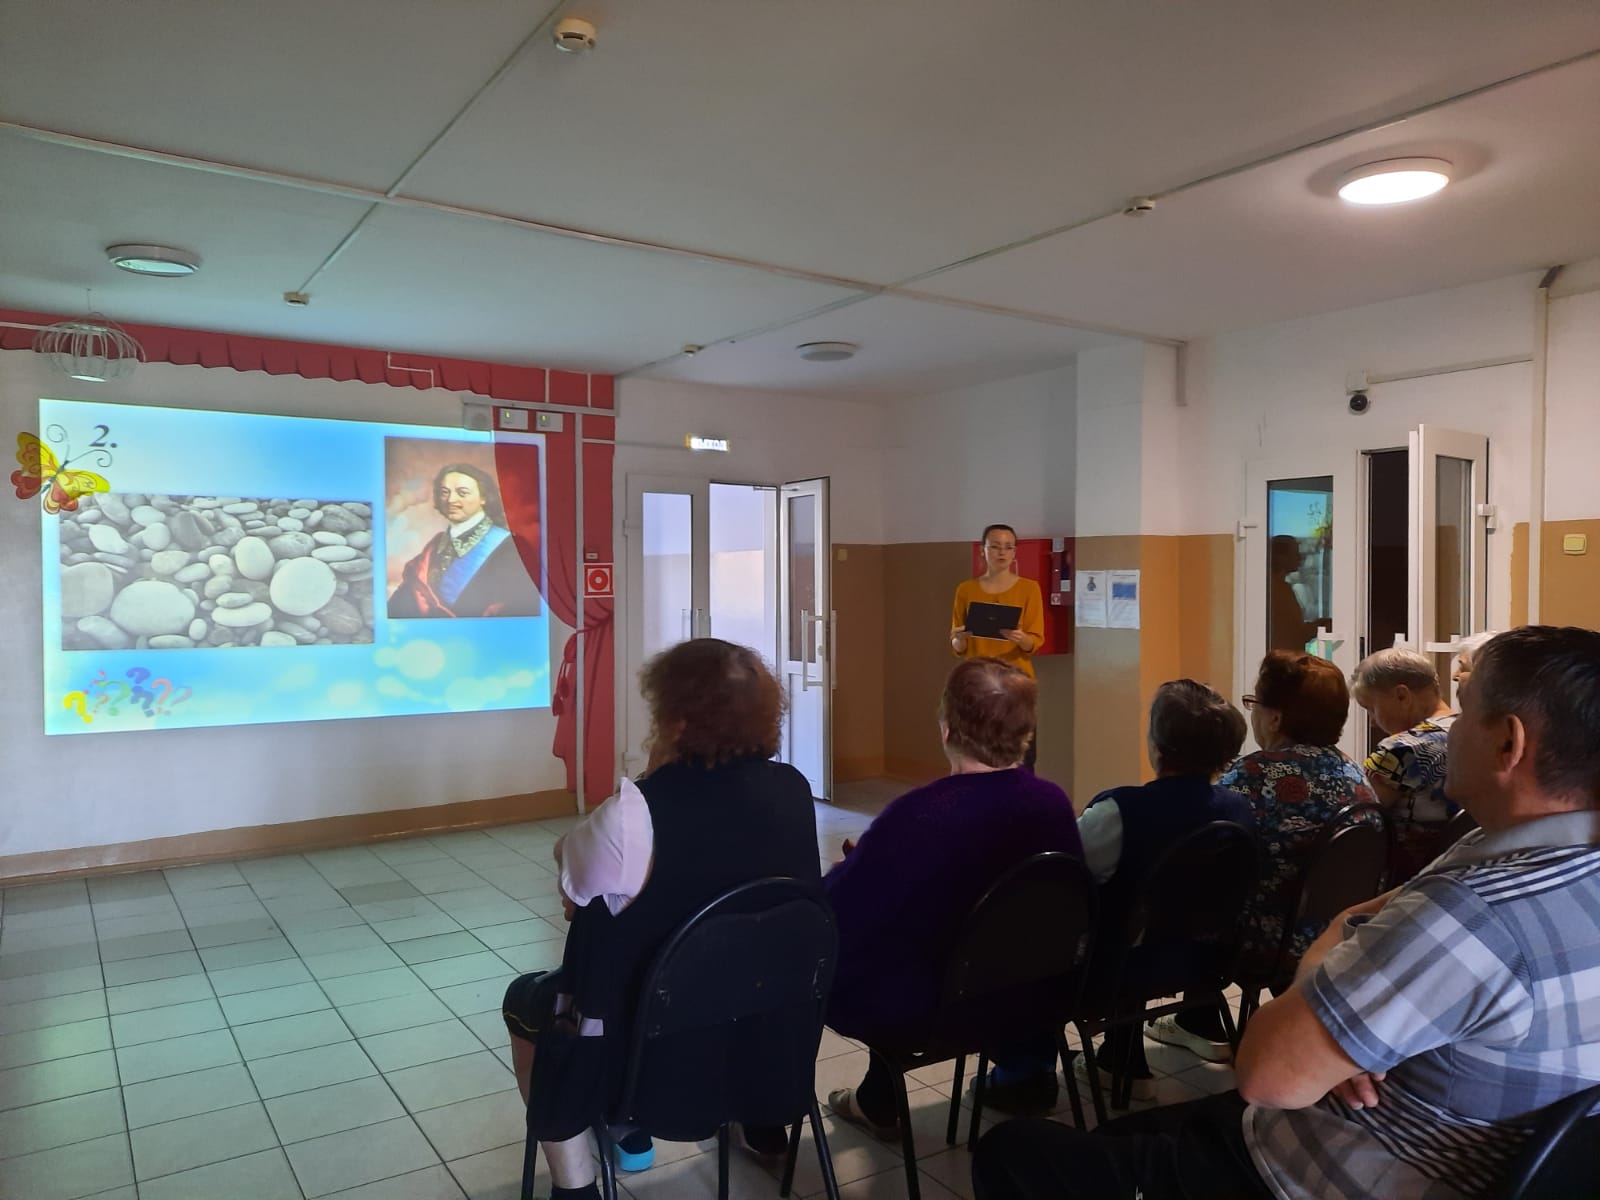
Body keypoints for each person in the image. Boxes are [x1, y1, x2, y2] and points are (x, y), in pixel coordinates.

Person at [972, 625, 1600, 1200]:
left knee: (1014, 1153)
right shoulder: (1469, 834)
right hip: (1379, 1092)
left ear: (1508, 742)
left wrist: (1333, 948)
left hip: (1318, 1159)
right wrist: (1341, 1005)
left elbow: (1267, 1074)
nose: (1447, 727)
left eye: (1462, 709)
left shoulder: (1471, 915)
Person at [501, 639, 819, 1200]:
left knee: (528, 999)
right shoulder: (793, 789)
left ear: (673, 718)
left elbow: (572, 882)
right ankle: (754, 1129)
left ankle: (575, 1185)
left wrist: (646, 784)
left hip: (639, 1063)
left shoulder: (636, 811)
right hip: (768, 1042)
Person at [820, 658, 1082, 1134]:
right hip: (1026, 993)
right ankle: (1022, 1075)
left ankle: (861, 1101)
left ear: (946, 729)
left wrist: (859, 870)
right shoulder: (1053, 803)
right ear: (1026, 732)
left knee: (862, 940)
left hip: (934, 1009)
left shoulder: (919, 814)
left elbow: (838, 910)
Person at [1147, 651, 1375, 1069]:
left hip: (1263, 941)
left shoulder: (1252, 775)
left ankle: (1162, 1035)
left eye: (1254, 703)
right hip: (1338, 929)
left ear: (1275, 718)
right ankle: (1197, 1020)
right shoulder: (1354, 773)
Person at [1073, 680, 1254, 1100]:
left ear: (1157, 745)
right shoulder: (1239, 810)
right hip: (1208, 962)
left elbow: (1067, 875)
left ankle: (1119, 1060)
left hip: (1122, 968)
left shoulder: (1118, 811)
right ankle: (1191, 1025)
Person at [1351, 647, 1458, 880]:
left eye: (1370, 708)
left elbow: (1358, 823)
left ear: (1402, 695)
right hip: (1462, 867)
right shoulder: (1473, 733)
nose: (1372, 721)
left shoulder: (1401, 749)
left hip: (1408, 878)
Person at [388, 462, 542, 618]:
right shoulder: (435, 546)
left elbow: (521, 608)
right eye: (444, 492)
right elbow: (400, 606)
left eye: (462, 493)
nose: (451, 500)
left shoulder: (512, 547)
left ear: (484, 498)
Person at [950, 524, 1046, 767]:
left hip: (1015, 681)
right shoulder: (966, 589)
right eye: (994, 546)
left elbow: (1035, 641)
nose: (1001, 552)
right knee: (977, 749)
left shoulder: (1029, 588)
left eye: (1008, 547)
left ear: (1014, 552)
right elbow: (957, 644)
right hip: (978, 681)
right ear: (982, 550)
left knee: (1021, 752)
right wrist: (959, 639)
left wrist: (1021, 638)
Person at [1268, 535, 1319, 653]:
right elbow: (1294, 633)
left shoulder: (1277, 587)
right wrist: (1321, 626)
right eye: (1295, 553)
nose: (1300, 558)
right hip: (1284, 658)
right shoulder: (1277, 590)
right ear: (1280, 557)